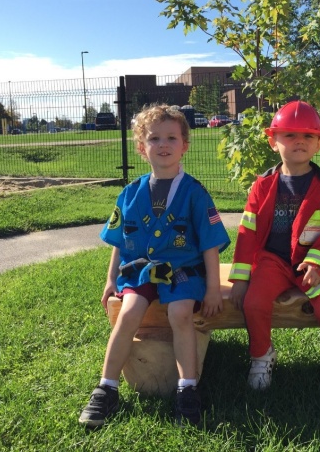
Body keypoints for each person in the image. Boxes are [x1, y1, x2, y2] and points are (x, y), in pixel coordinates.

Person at [78, 104, 230, 428]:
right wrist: (110, 279)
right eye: (154, 138)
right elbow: (119, 242)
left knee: (180, 313)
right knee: (129, 313)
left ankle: (188, 390)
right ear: (141, 147)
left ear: (184, 145)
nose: (163, 145)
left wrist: (213, 288)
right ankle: (107, 388)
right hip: (140, 270)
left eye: (171, 138)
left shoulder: (195, 193)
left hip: (184, 271)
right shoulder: (130, 194)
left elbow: (209, 244)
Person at [229, 100, 320, 391]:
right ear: (273, 142)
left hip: (315, 264)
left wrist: (318, 264)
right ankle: (261, 356)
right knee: (254, 304)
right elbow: (247, 233)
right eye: (290, 135)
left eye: (308, 135)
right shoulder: (262, 186)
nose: (300, 141)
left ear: (319, 144)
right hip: (273, 262)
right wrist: (241, 279)